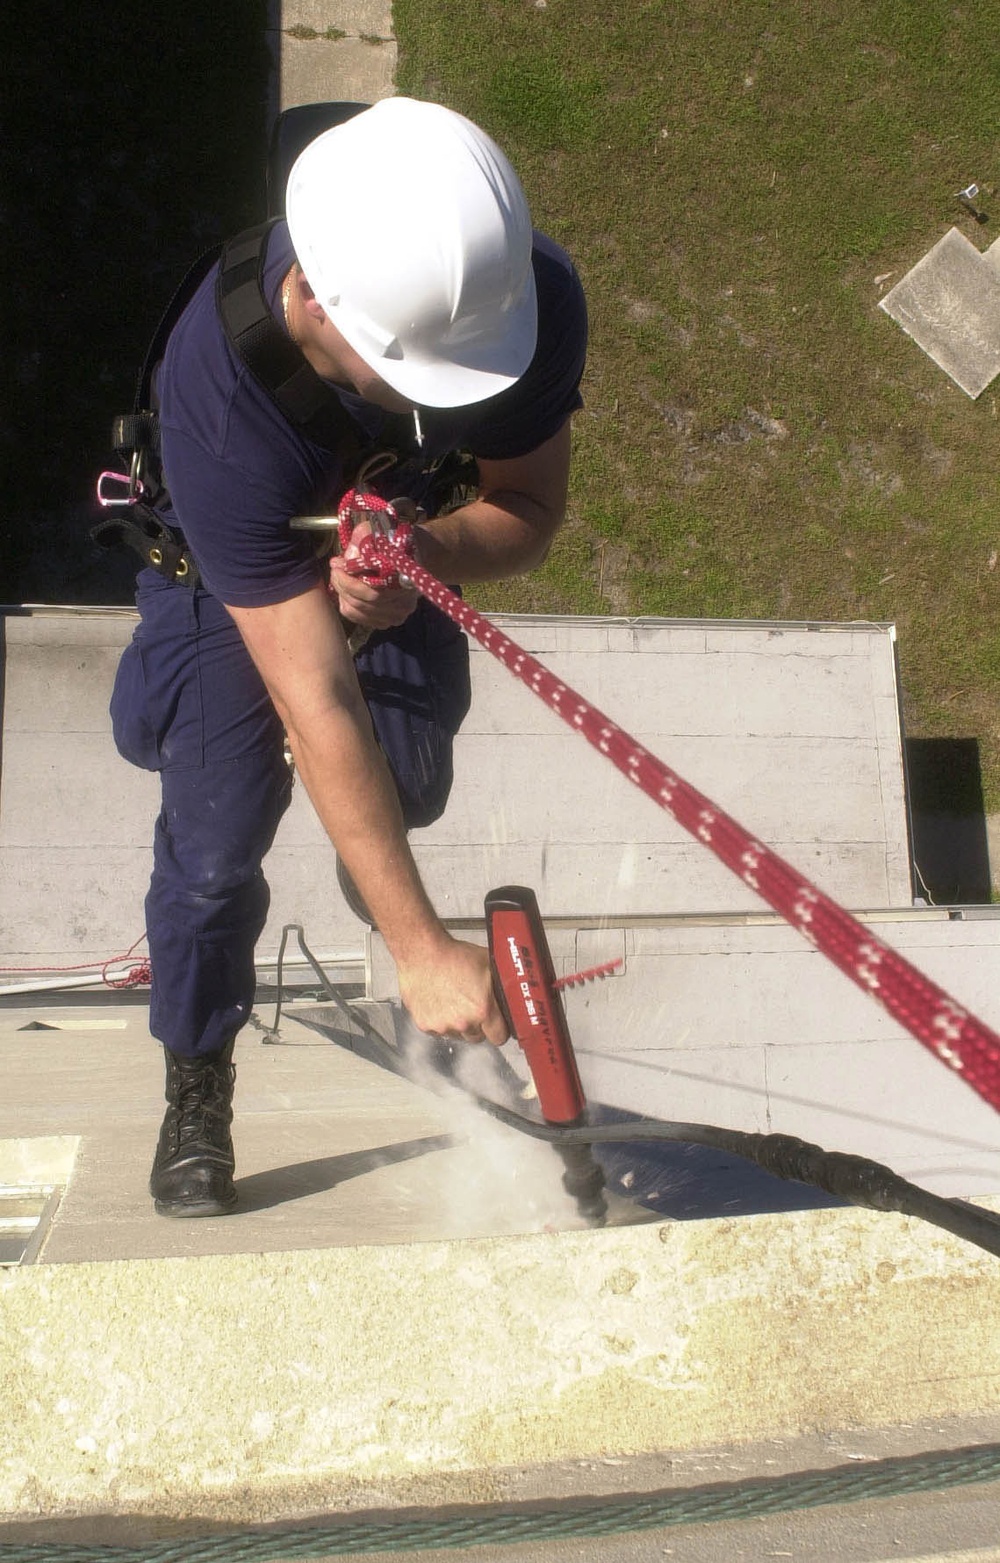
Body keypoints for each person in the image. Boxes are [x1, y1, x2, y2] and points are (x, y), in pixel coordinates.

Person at [108, 96, 588, 1218]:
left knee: (400, 789)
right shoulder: (218, 394)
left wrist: (418, 547)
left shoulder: (519, 303)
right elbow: (311, 688)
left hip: (386, 544)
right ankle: (195, 1072)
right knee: (216, 852)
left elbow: (526, 511)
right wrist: (419, 944)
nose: (433, 403)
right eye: (404, 376)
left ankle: (367, 851)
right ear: (314, 301)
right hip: (234, 580)